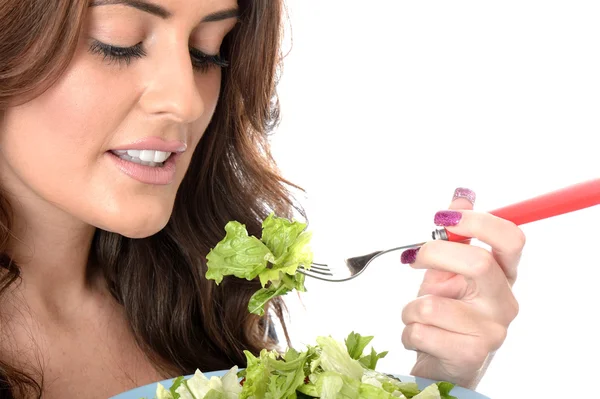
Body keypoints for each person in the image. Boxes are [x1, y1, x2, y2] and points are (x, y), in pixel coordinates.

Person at [0, 0, 524, 397]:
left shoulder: (205, 306)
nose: (185, 100)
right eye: (118, 42)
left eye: (208, 51)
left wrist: (437, 380)